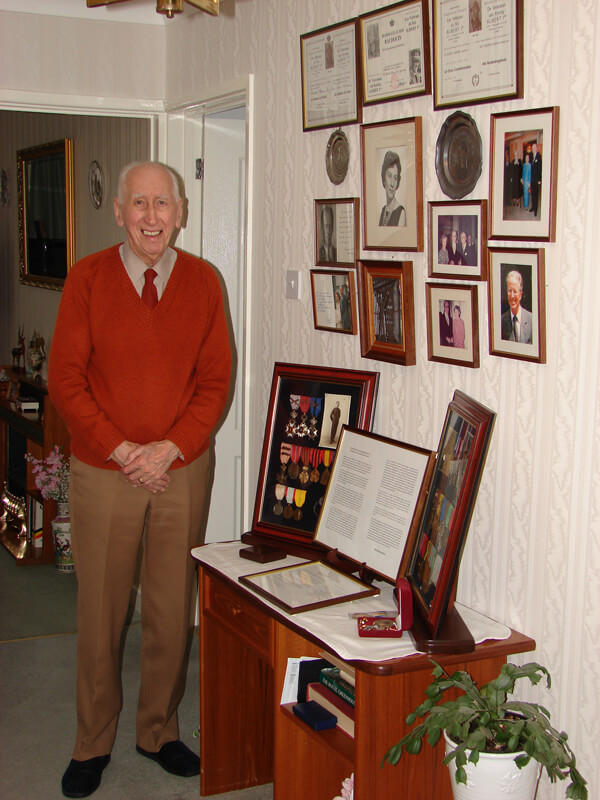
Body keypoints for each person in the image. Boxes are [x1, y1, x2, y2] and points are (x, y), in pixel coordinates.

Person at [48, 161, 232, 799]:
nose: (152, 217)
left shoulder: (206, 283)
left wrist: (171, 448)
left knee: (170, 607)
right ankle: (91, 742)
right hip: (105, 472)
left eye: (163, 204)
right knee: (100, 611)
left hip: (181, 472)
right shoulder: (88, 280)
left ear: (180, 211)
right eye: (140, 205)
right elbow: (65, 379)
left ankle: (159, 730)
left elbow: (216, 382)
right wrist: (124, 449)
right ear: (121, 212)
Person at [501, 269, 533, 343]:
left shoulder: (531, 320)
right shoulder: (501, 321)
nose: (512, 296)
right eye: (509, 291)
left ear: (520, 294)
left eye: (515, 291)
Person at [379, 150, 406, 227]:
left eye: (395, 178)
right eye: (389, 176)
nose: (392, 184)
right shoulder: (383, 210)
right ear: (384, 178)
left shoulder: (401, 213)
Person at [531, 142, 542, 216]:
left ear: (536, 148)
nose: (533, 149)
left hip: (536, 179)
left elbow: (540, 168)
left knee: (536, 195)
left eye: (534, 148)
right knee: (533, 194)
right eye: (532, 148)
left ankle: (536, 210)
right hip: (532, 179)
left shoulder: (539, 156)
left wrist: (539, 179)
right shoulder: (532, 157)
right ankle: (533, 207)